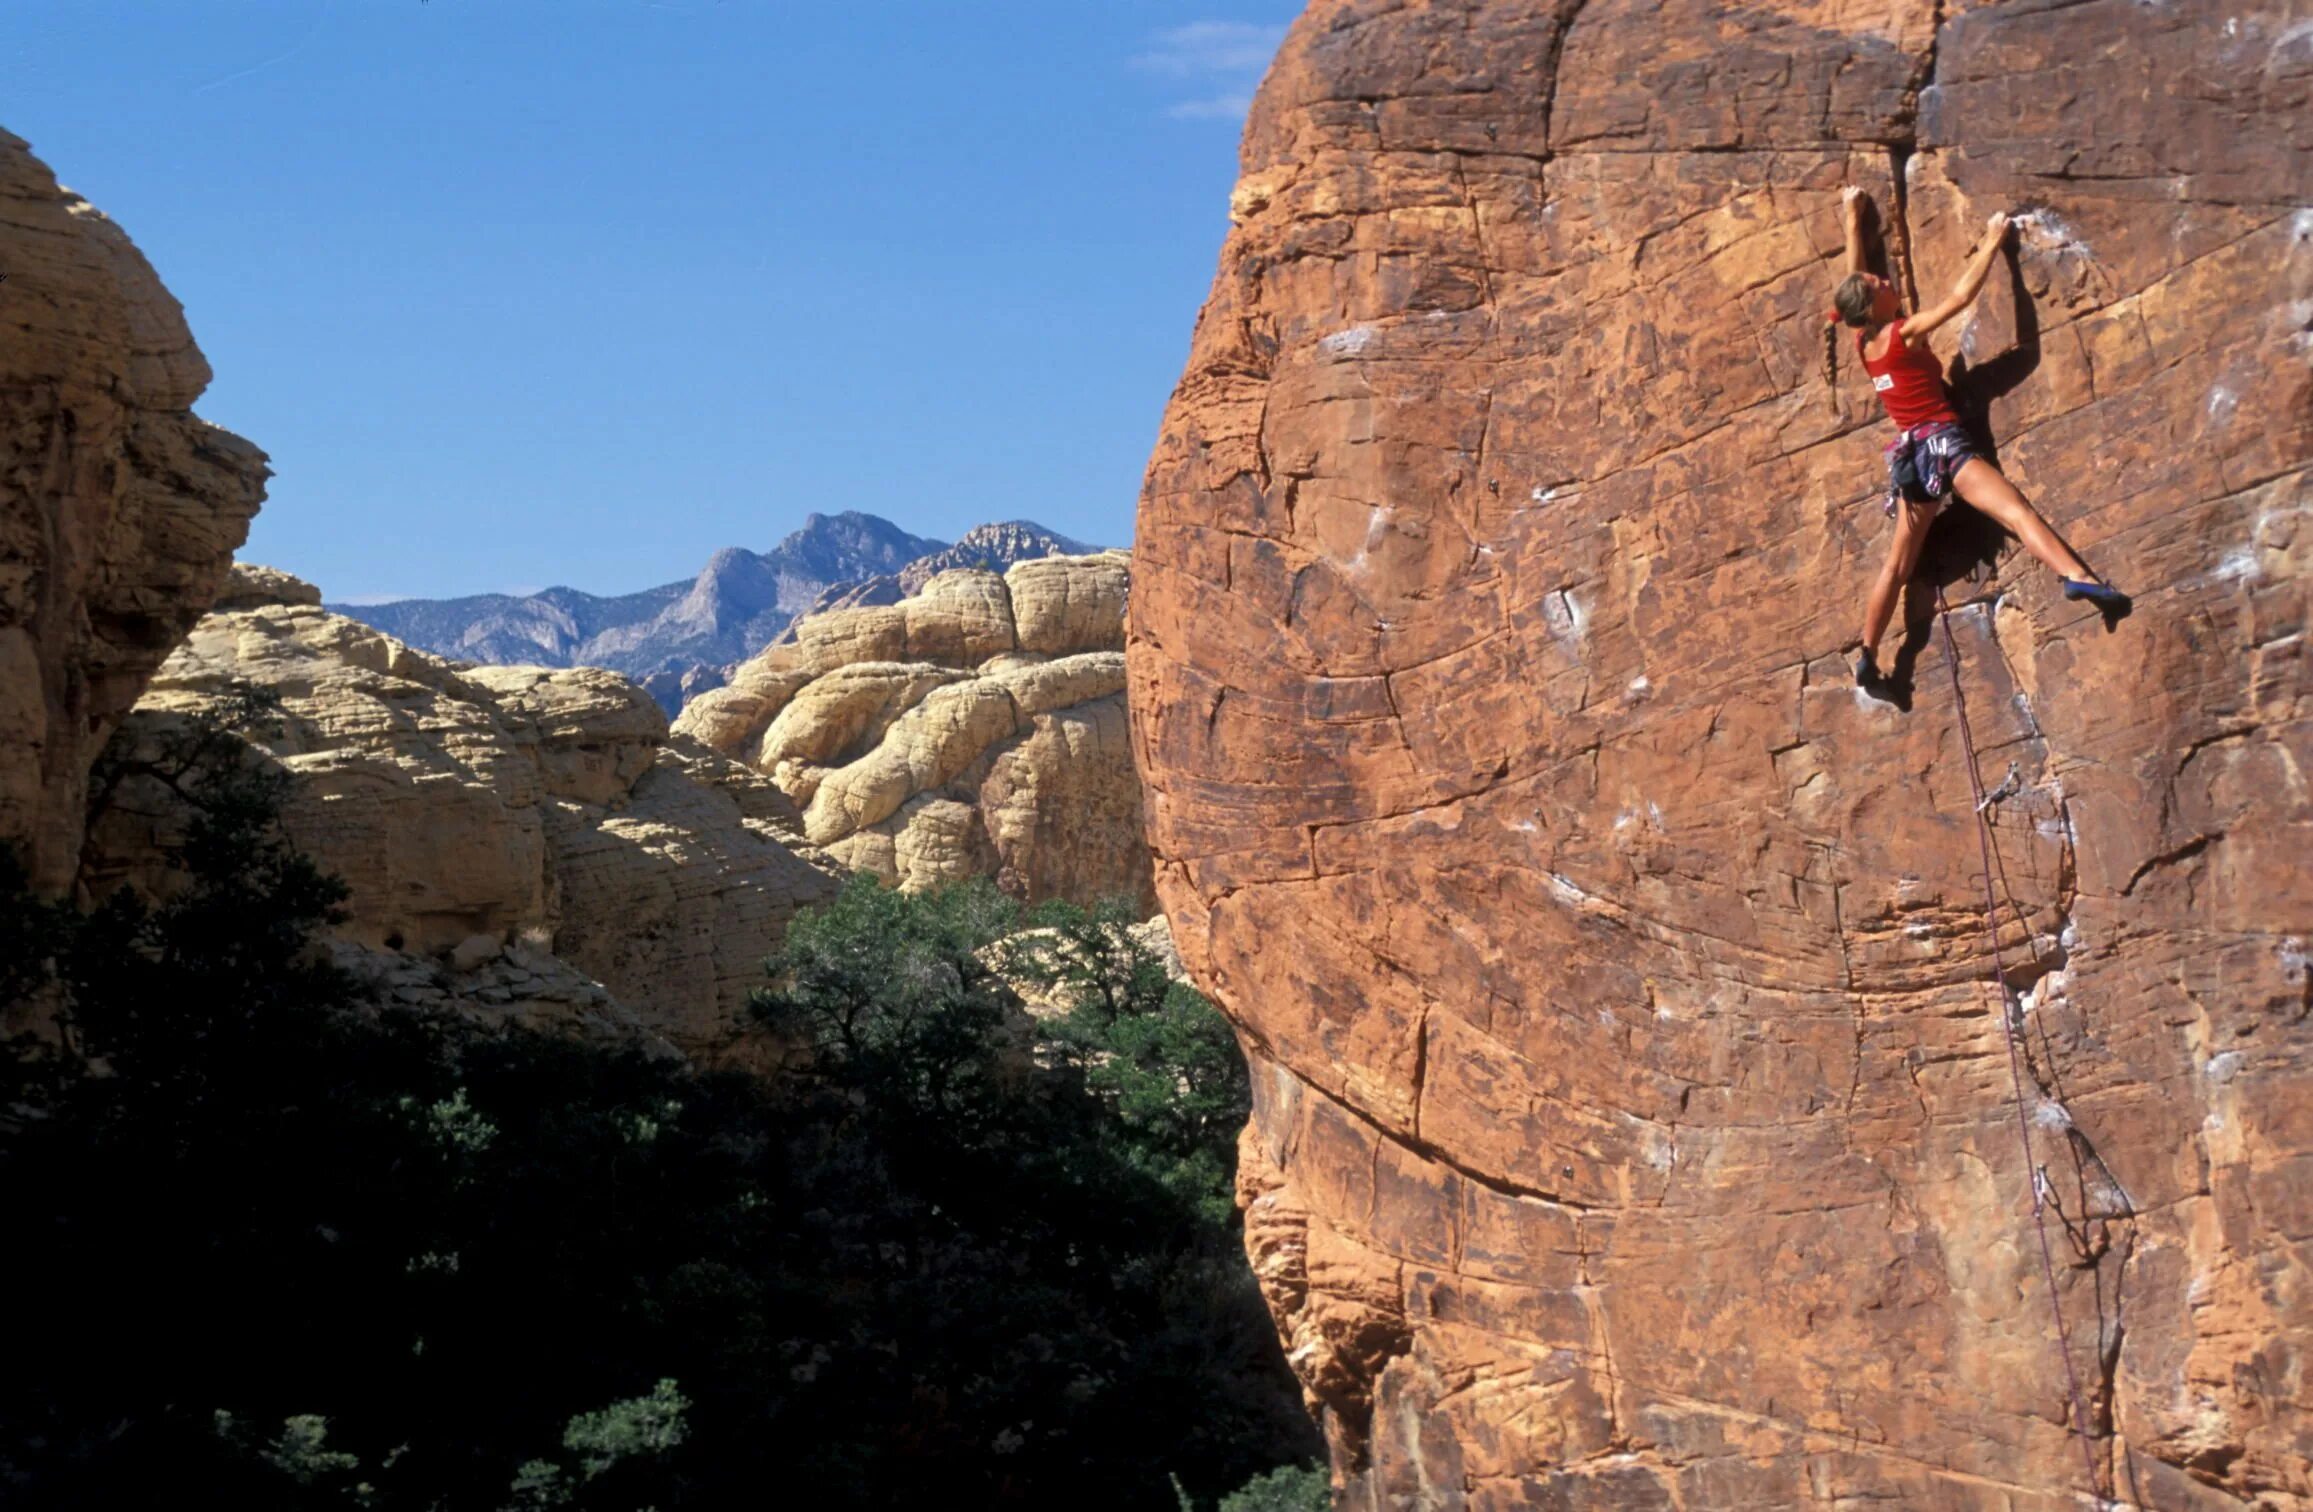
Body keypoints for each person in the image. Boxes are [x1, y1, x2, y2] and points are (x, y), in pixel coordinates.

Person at [1827, 186, 2127, 695]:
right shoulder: (1904, 334)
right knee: (2014, 512)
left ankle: (1869, 654)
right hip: (1944, 445)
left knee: (1898, 564)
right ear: (1875, 304)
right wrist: (1993, 244)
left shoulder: (1866, 342)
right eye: (1881, 283)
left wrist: (1852, 219)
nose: (1886, 279)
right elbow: (1960, 299)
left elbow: (1854, 283)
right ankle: (2079, 577)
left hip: (1910, 459)